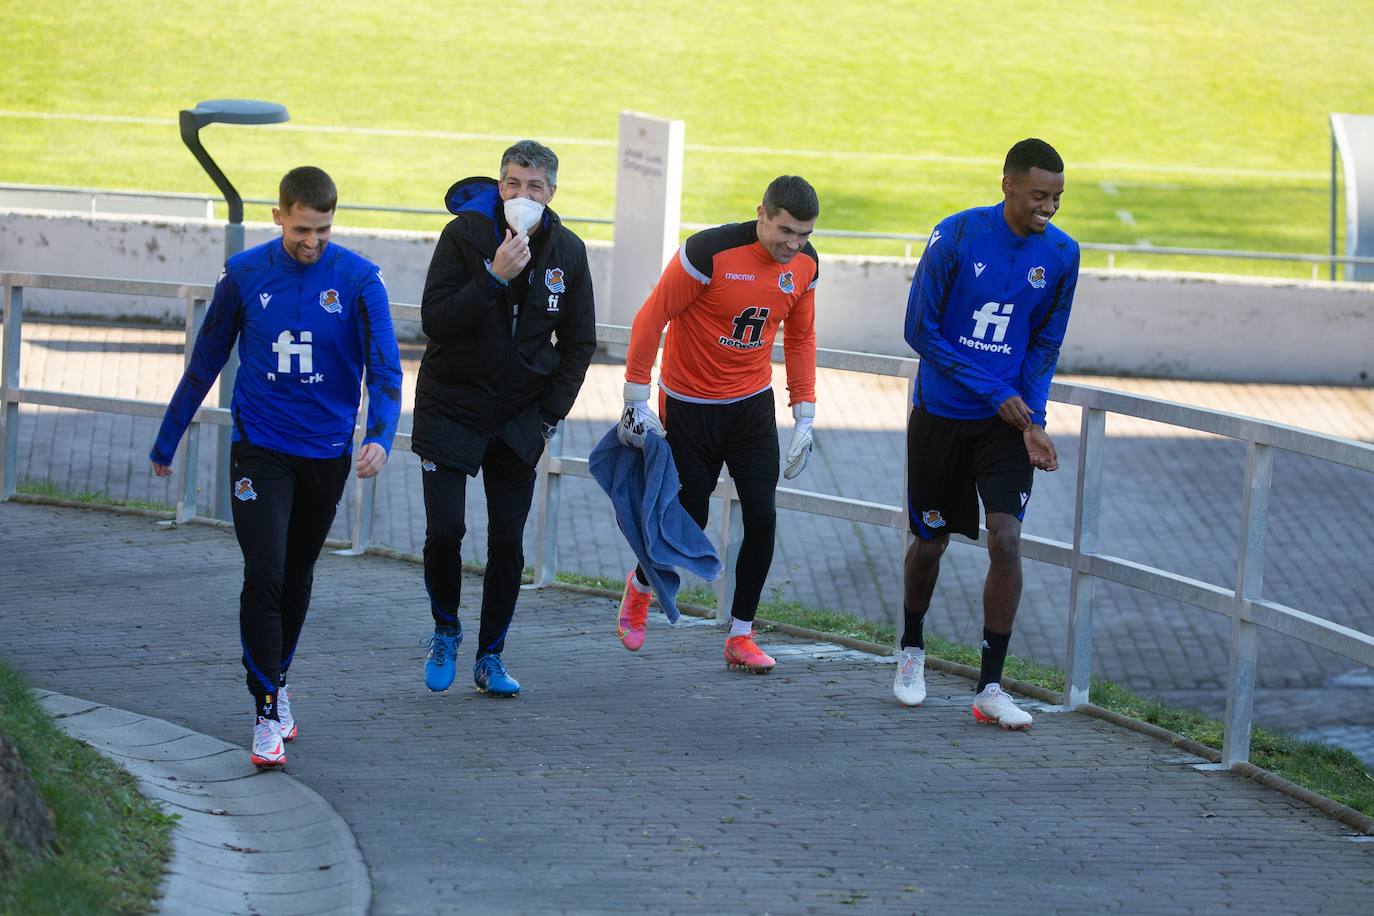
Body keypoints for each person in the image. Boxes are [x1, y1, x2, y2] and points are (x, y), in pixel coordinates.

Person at [150, 166, 402, 768]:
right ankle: (264, 710)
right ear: (278, 216)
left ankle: (279, 677)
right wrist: (168, 438)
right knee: (263, 571)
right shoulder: (244, 274)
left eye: (322, 229)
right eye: (300, 229)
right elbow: (206, 358)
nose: (310, 241)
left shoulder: (360, 280)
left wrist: (382, 436)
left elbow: (386, 369)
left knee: (295, 576)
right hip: (259, 448)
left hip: (325, 453)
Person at [896, 138, 1079, 729]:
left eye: (1056, 197)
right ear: (1007, 185)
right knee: (930, 543)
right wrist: (997, 393)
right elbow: (919, 332)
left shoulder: (1063, 255)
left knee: (1006, 539)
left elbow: (1045, 345)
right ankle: (911, 649)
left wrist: (1035, 420)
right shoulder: (955, 235)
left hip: (1005, 428)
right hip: (943, 413)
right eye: (1037, 196)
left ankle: (990, 686)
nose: (1047, 208)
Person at [615, 175, 820, 674]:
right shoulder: (708, 252)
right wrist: (635, 396)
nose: (794, 245)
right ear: (762, 214)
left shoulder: (807, 265)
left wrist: (805, 412)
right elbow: (652, 317)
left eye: (805, 234)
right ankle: (641, 586)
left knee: (763, 516)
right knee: (689, 519)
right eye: (786, 231)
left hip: (751, 406)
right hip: (688, 405)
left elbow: (800, 336)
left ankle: (741, 634)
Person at [415, 140, 596, 697]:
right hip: (452, 406)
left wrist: (547, 418)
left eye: (534, 187)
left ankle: (490, 655)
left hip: (520, 418)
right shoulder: (464, 237)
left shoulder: (567, 250)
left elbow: (579, 343)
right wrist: (493, 276)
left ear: (551, 194)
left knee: (508, 543)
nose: (522, 195)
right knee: (446, 530)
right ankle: (446, 628)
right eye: (513, 184)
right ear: (500, 186)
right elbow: (436, 321)